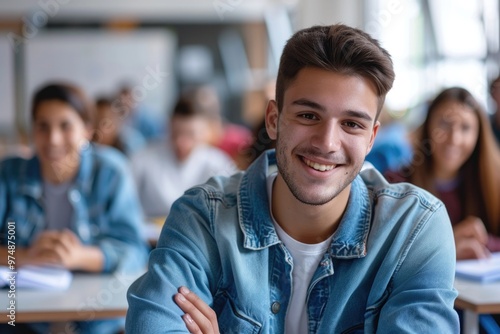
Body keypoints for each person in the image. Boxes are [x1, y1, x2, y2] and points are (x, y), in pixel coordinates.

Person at [126, 24, 459, 333]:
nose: (327, 143)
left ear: (371, 139)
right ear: (273, 120)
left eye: (352, 124)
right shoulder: (203, 217)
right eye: (308, 115)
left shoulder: (413, 228)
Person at [0, 82, 148, 334]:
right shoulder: (9, 173)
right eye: (42, 126)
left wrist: (78, 256)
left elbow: (136, 251)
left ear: (88, 130)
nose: (53, 139)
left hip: (94, 315)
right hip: (19, 313)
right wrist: (25, 256)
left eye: (65, 126)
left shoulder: (111, 172)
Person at [385, 87, 500, 260]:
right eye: (444, 124)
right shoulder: (395, 184)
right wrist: (445, 245)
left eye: (466, 128)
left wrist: (484, 241)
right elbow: (383, 252)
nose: (454, 139)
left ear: (479, 136)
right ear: (428, 126)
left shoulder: (491, 183)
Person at [130, 93, 237, 220]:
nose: (181, 142)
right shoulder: (143, 157)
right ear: (169, 126)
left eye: (191, 135)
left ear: (205, 132)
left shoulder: (219, 163)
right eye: (176, 133)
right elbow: (126, 202)